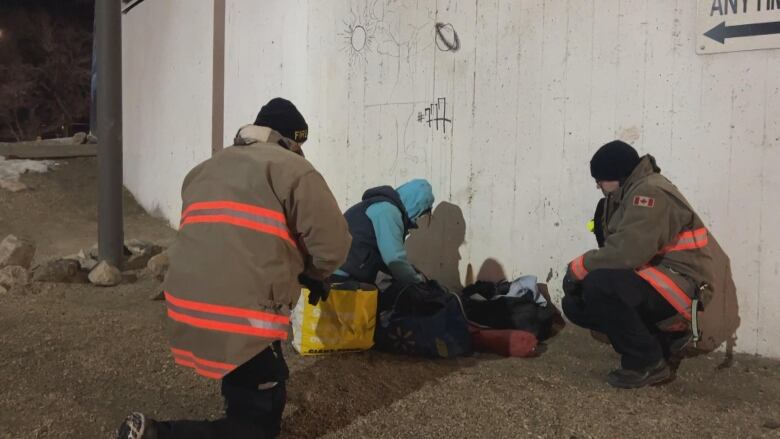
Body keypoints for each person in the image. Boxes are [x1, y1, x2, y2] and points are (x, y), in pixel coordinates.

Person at [116, 98, 351, 438]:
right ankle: (157, 434)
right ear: (292, 141)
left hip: (185, 304)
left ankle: (243, 392)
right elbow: (333, 247)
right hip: (242, 314)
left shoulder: (204, 168)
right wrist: (311, 274)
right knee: (257, 426)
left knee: (247, 363)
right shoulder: (294, 169)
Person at [561, 140, 732, 389]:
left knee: (599, 284)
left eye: (600, 179)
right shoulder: (626, 193)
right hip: (659, 278)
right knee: (576, 304)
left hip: (681, 287)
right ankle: (661, 341)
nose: (597, 185)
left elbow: (626, 254)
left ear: (618, 175)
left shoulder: (649, 193)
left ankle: (646, 362)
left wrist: (578, 268)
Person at [333, 179, 434, 286]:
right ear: (416, 206)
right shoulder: (388, 212)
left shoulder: (382, 205)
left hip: (339, 269)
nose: (418, 219)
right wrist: (417, 281)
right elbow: (394, 259)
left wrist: (410, 271)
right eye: (421, 214)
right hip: (342, 276)